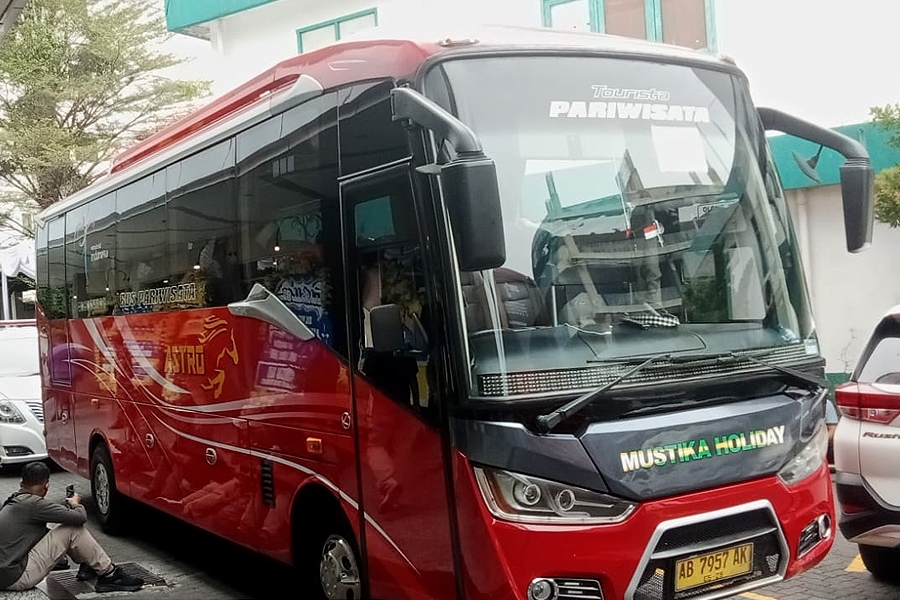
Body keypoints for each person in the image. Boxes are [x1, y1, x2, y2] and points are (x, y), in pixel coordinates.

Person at [0, 461, 144, 593]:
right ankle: (110, 574)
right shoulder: (33, 504)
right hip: (16, 577)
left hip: (6, 574)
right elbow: (79, 518)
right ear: (46, 486)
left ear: (21, 482)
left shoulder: (14, 500)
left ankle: (89, 564)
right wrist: (76, 504)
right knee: (71, 529)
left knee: (58, 524)